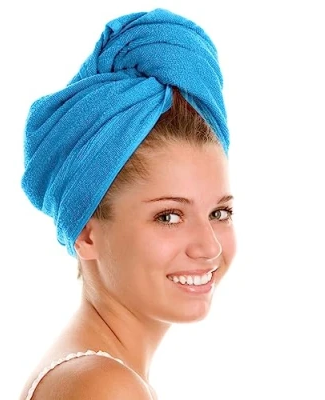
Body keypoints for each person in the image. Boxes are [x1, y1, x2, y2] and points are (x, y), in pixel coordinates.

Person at [19, 8, 236, 400]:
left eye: (219, 213)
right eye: (169, 216)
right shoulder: (104, 386)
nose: (210, 247)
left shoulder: (98, 374)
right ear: (86, 233)